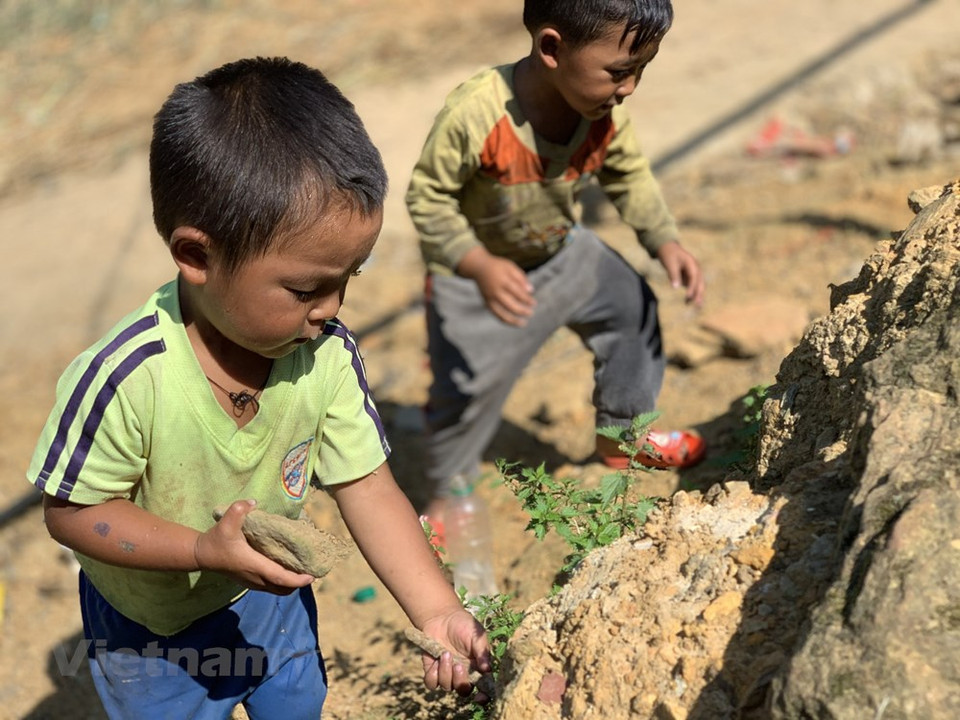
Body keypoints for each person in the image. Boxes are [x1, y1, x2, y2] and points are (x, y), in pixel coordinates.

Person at [26, 57, 489, 720]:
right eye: (305, 288)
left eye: (348, 277)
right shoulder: (128, 378)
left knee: (297, 703)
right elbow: (71, 512)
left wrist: (439, 610)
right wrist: (198, 552)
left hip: (267, 600)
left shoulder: (325, 356)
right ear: (198, 257)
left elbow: (367, 486)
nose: (331, 306)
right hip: (152, 636)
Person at [405, 0, 706, 525]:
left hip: (561, 251)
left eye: (640, 71)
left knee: (631, 308)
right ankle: (444, 501)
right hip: (478, 280)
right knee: (462, 399)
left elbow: (628, 174)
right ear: (552, 48)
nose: (630, 87)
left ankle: (623, 437)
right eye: (619, 72)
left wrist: (664, 240)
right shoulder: (478, 114)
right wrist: (477, 263)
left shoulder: (601, 112)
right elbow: (428, 199)